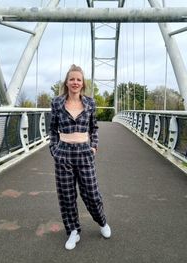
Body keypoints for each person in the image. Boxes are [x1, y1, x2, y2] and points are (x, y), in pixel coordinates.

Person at [49, 64, 111, 250]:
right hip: (64, 154)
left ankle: (102, 222)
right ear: (66, 82)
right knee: (67, 196)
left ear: (82, 83)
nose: (75, 82)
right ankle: (73, 231)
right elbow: (52, 129)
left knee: (91, 193)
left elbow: (94, 128)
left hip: (84, 153)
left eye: (78, 79)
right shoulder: (57, 103)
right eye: (72, 79)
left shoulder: (90, 103)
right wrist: (54, 149)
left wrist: (93, 146)